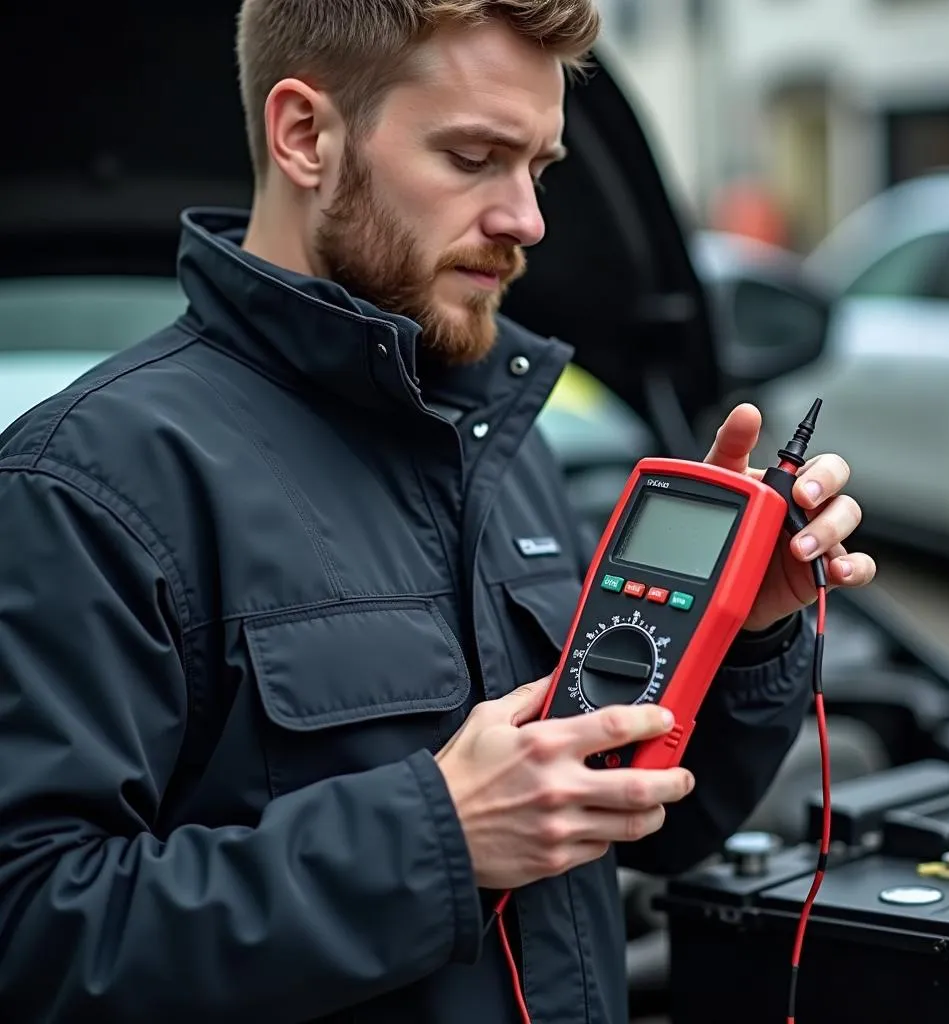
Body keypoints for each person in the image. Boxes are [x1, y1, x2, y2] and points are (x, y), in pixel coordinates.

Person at [0, 2, 875, 1022]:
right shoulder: (87, 484)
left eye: (538, 168)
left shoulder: (504, 447)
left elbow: (645, 822)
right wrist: (435, 841)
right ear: (305, 136)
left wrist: (750, 627)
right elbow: (31, 932)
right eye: (473, 156)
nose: (528, 219)